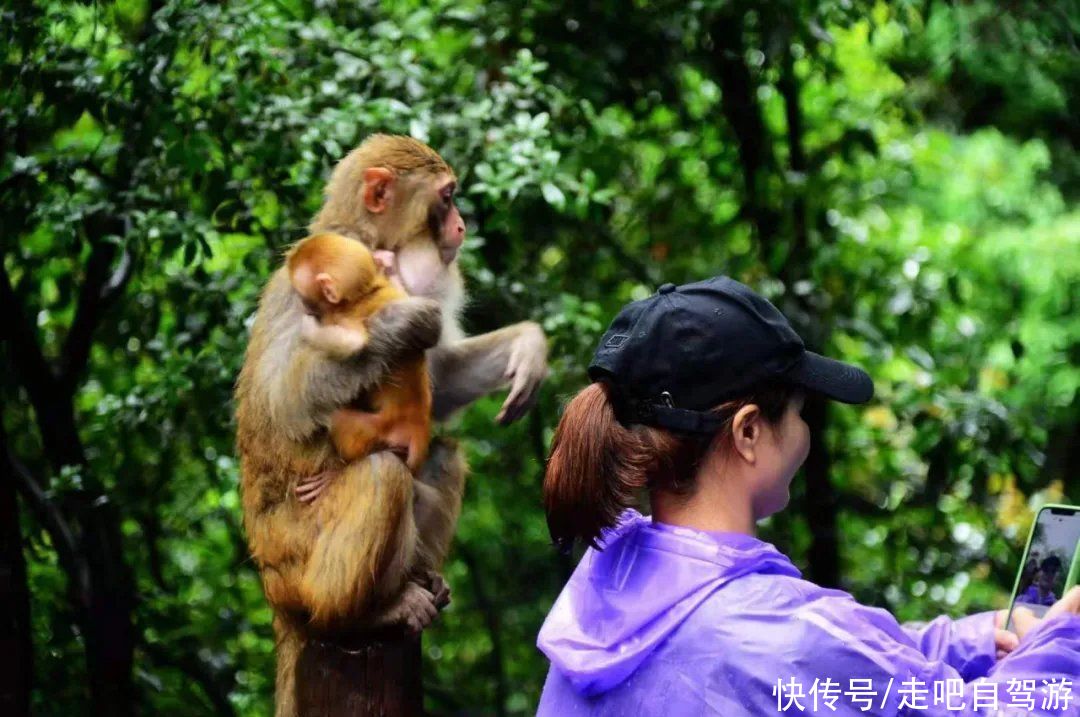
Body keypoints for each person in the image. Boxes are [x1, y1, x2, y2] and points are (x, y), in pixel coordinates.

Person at [536, 276, 1080, 716]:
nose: (804, 434)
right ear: (748, 433)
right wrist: (1063, 640)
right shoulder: (779, 631)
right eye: (799, 413)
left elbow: (847, 666)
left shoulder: (608, 593)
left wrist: (973, 640)